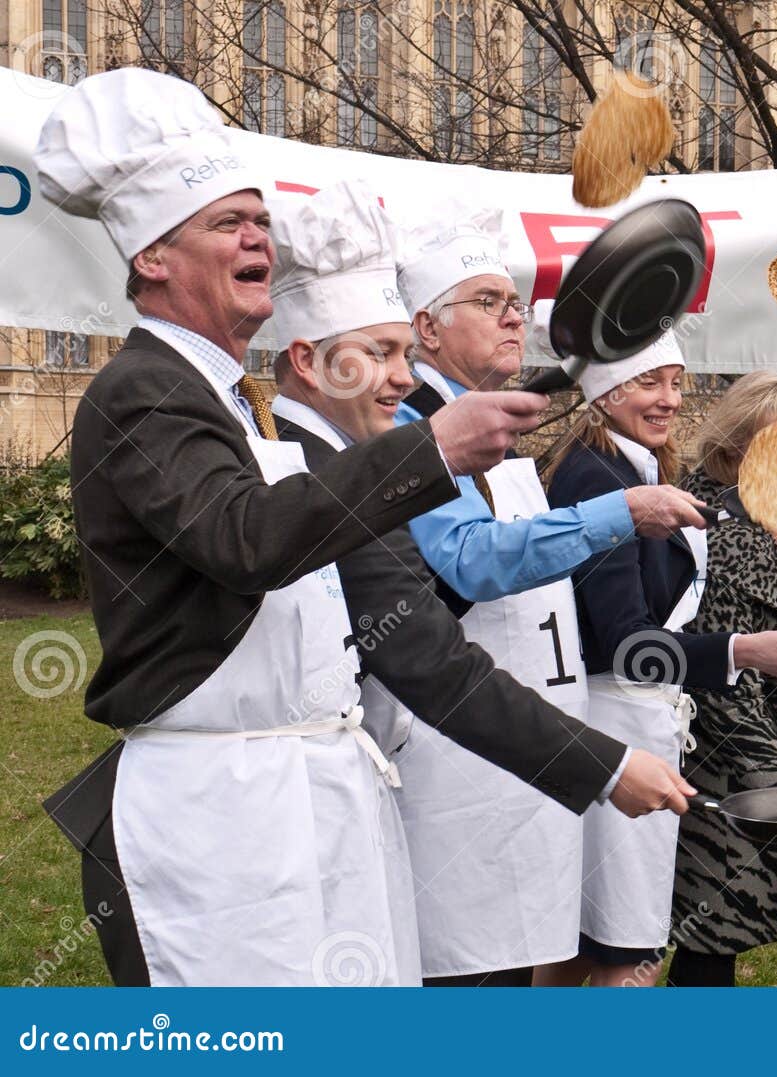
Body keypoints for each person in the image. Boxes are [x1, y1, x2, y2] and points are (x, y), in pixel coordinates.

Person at [33, 70, 552, 986]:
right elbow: (247, 537)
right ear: (153, 258)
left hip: (296, 799)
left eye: (260, 222)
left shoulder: (234, 402)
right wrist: (431, 449)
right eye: (228, 223)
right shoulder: (140, 388)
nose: (256, 237)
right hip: (215, 814)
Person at [385, 206, 706, 987]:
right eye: (488, 301)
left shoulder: (490, 434)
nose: (513, 317)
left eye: (514, 301)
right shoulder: (413, 426)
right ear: (426, 328)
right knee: (460, 987)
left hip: (521, 764)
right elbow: (470, 561)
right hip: (456, 766)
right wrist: (618, 513)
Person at [544, 342, 777, 986]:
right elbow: (624, 642)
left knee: (594, 946)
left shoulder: (638, 470)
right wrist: (740, 650)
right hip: (631, 727)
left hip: (649, 725)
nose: (669, 399)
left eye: (676, 383)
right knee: (623, 951)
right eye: (650, 383)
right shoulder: (600, 475)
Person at [664, 373, 777, 987]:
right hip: (710, 757)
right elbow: (719, 685)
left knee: (722, 932)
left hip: (768, 750)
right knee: (708, 925)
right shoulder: (709, 529)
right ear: (734, 449)